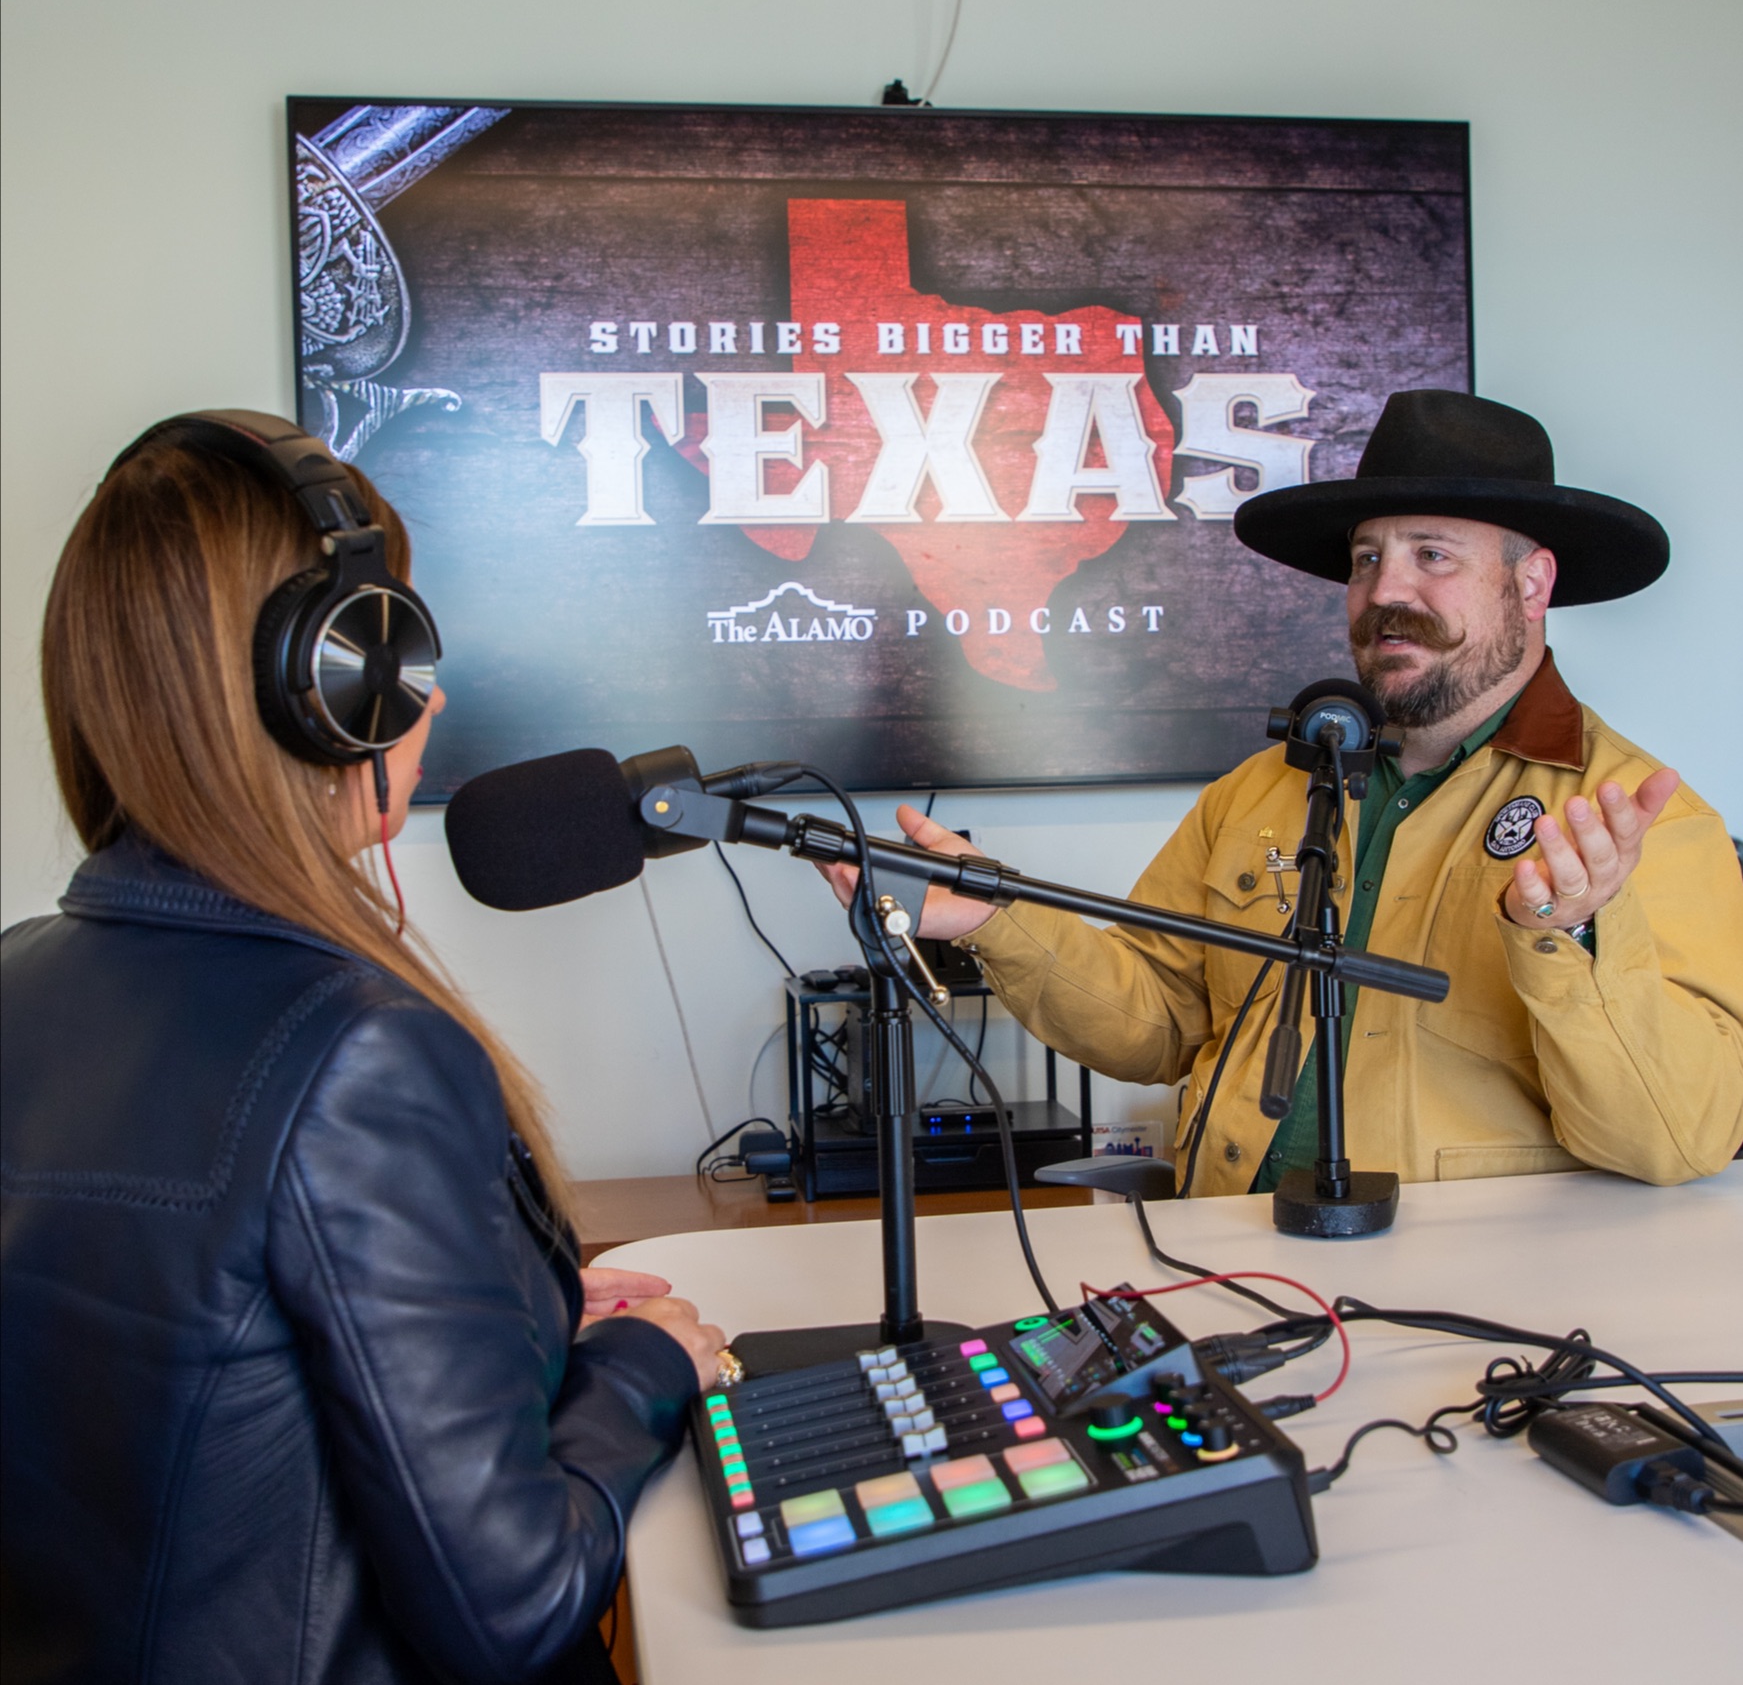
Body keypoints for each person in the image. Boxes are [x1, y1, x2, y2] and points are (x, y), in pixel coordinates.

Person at [1, 412, 725, 1683]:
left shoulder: (19, 978)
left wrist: (531, 1316)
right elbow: (512, 1603)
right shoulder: (359, 1054)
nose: (427, 692)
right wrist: (646, 1364)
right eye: (403, 645)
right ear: (341, 689)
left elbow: (215, 1378)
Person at [823, 390, 1743, 1194]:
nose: (1388, 591)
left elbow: (1675, 1140)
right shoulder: (1256, 791)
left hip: (1472, 1318)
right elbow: (1155, 1020)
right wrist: (992, 914)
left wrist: (1571, 935)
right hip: (1233, 1266)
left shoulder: (1637, 821)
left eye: (1433, 555)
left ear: (1531, 582)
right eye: (1366, 559)